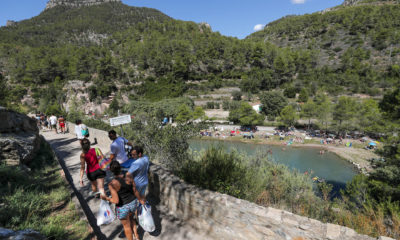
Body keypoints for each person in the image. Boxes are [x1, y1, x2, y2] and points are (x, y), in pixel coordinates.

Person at [100, 161, 144, 240]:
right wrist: (140, 199)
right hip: (133, 204)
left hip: (123, 208)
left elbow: (115, 201)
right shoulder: (129, 176)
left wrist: (105, 198)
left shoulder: (112, 184)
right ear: (120, 168)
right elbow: (135, 190)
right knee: (131, 218)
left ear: (111, 171)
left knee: (126, 227)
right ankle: (137, 236)